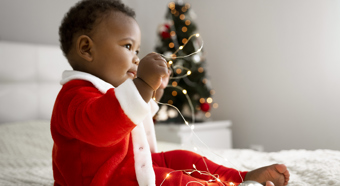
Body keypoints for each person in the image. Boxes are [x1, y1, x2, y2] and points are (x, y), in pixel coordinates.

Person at [51, 0, 290, 185]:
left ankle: (239, 177)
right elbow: (104, 126)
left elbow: (134, 123)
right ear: (86, 48)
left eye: (137, 49)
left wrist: (153, 92)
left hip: (129, 166)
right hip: (103, 181)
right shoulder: (74, 95)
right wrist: (142, 83)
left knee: (183, 159)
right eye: (127, 46)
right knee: (176, 182)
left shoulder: (114, 91)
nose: (136, 57)